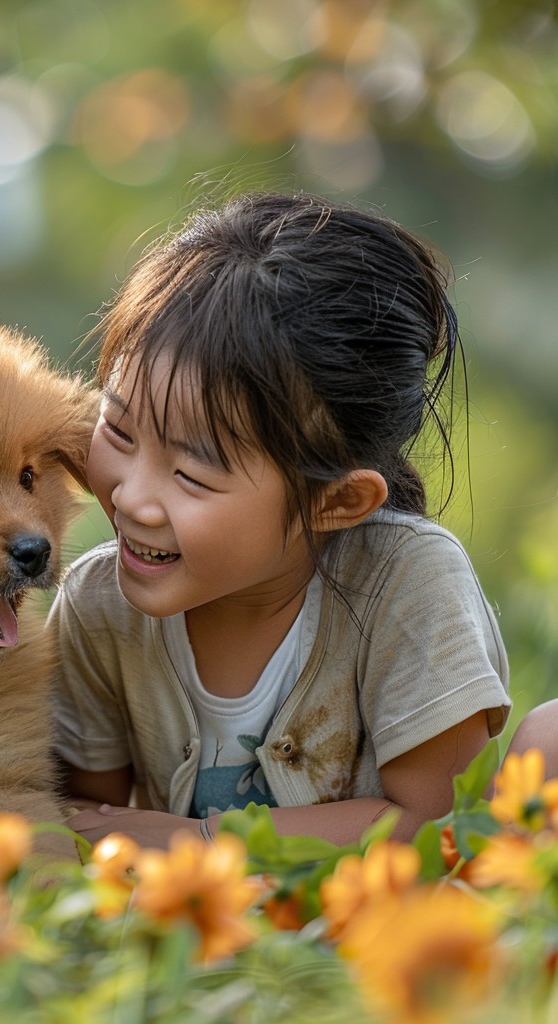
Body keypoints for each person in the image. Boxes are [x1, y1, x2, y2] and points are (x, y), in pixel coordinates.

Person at [49, 191, 510, 848]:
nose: (131, 498)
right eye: (118, 431)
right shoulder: (98, 606)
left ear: (335, 502)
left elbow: (435, 827)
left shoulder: (406, 583)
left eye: (191, 474)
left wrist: (198, 844)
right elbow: (85, 824)